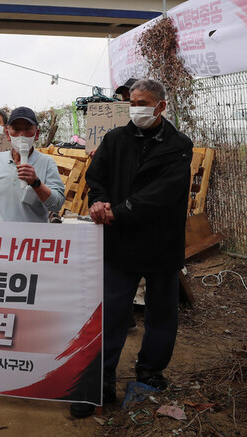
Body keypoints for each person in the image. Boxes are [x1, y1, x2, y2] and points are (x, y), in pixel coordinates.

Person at [70, 78, 192, 419]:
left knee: (162, 314)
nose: (136, 108)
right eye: (132, 102)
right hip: (120, 243)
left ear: (161, 106)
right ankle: (100, 382)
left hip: (161, 243)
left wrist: (118, 211)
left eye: (143, 102)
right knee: (110, 313)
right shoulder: (115, 139)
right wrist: (98, 202)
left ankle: (150, 372)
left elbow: (164, 193)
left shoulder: (178, 145)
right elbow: (97, 178)